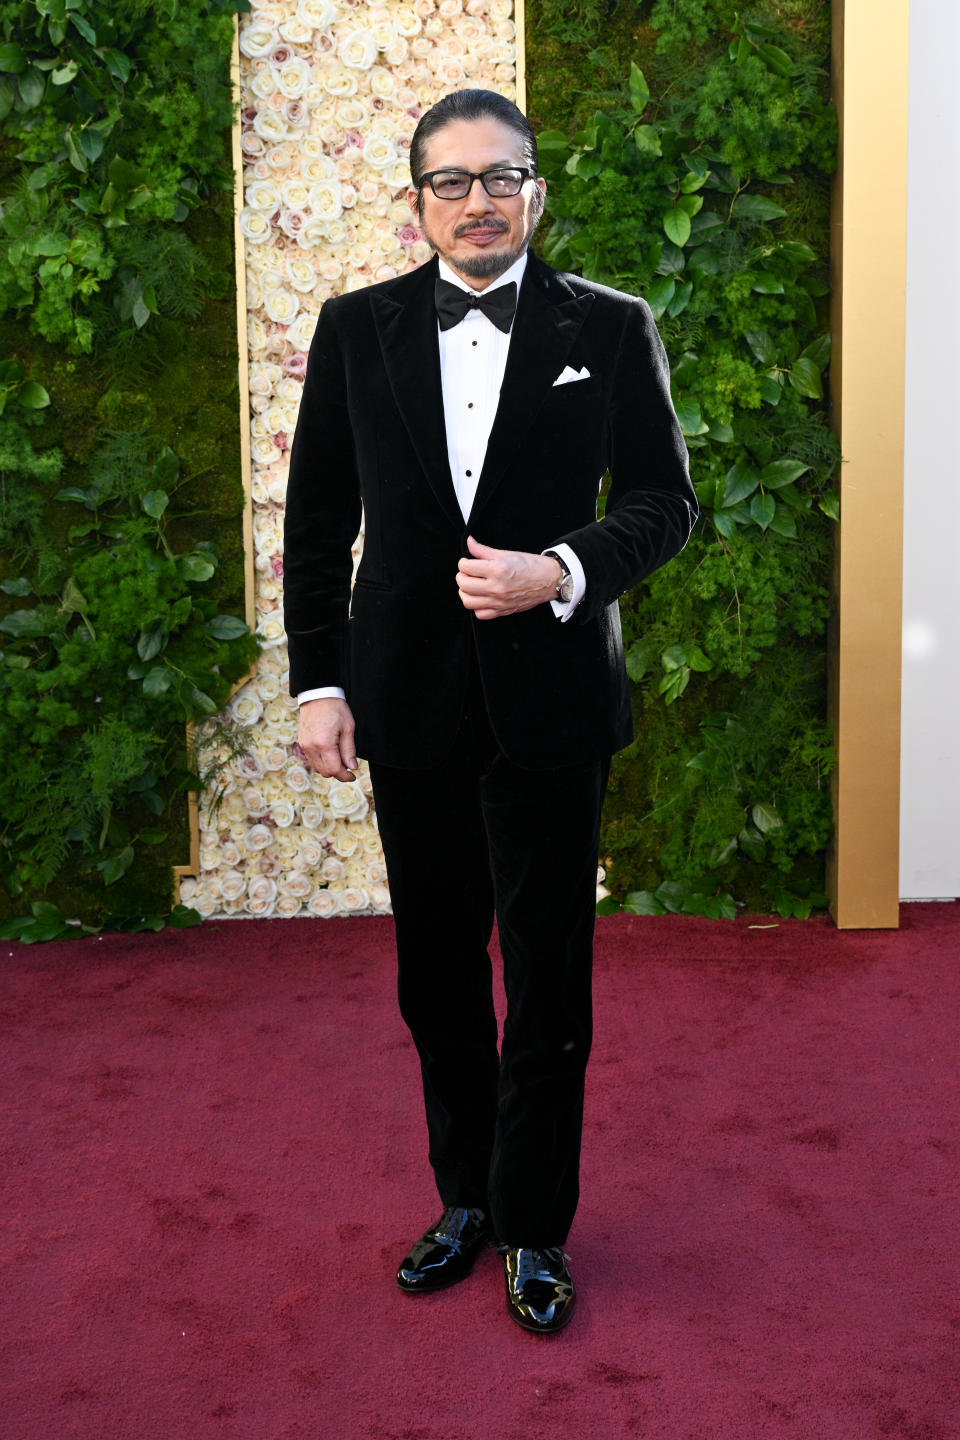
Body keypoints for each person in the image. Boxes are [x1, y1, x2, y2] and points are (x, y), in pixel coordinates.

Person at [283, 88, 697, 1334]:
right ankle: (463, 1199)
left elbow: (664, 504)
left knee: (551, 977)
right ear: (417, 201)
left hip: (554, 706)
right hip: (406, 699)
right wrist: (319, 683)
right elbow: (316, 526)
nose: (478, 200)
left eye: (500, 176)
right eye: (451, 181)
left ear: (536, 191)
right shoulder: (355, 329)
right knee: (437, 974)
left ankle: (535, 1226)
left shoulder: (613, 328)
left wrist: (557, 571)